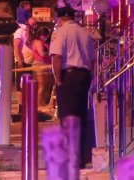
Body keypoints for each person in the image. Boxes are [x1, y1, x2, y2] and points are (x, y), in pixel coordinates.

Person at [49, 6, 95, 179]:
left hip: (69, 76)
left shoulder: (61, 32)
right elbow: (92, 59)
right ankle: (80, 157)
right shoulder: (84, 33)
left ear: (60, 18)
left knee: (67, 117)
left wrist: (58, 79)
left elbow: (57, 57)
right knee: (81, 116)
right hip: (84, 75)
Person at [13, 17, 37, 119]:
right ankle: (21, 107)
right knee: (20, 86)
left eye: (35, 24)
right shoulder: (20, 31)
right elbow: (16, 46)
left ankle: (27, 107)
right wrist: (20, 61)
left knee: (28, 86)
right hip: (23, 62)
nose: (33, 26)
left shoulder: (31, 33)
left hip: (30, 63)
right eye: (32, 24)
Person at [32, 27, 54, 109]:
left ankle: (42, 102)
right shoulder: (38, 42)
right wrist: (51, 52)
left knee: (47, 85)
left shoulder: (42, 42)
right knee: (42, 86)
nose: (46, 37)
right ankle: (38, 104)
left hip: (45, 64)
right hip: (41, 64)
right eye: (45, 35)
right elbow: (42, 54)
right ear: (41, 35)